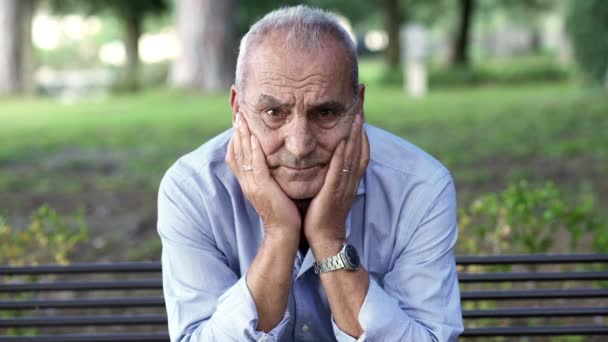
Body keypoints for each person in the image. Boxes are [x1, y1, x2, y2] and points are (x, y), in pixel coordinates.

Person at [158, 5, 463, 342]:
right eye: (274, 112)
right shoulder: (193, 189)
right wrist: (279, 234)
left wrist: (330, 239)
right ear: (237, 108)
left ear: (357, 105)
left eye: (326, 112)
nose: (300, 144)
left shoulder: (418, 187)